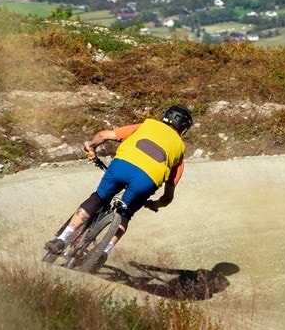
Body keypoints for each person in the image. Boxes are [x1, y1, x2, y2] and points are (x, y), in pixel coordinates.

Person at [45, 104, 193, 262]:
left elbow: (103, 135)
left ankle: (61, 239)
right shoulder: (180, 150)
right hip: (146, 180)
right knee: (125, 214)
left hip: (122, 166)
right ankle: (104, 252)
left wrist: (92, 148)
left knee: (98, 198)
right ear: (183, 131)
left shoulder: (147, 125)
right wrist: (154, 204)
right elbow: (168, 196)